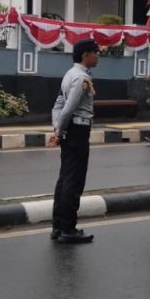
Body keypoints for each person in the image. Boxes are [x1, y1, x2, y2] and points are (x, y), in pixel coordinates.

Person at [48, 38, 101, 244]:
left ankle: (58, 226)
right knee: (74, 180)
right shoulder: (81, 79)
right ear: (85, 54)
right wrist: (59, 132)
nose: (98, 56)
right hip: (78, 130)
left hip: (70, 130)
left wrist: (58, 128)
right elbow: (68, 107)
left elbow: (57, 106)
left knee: (64, 179)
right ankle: (68, 229)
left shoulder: (69, 74)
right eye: (95, 52)